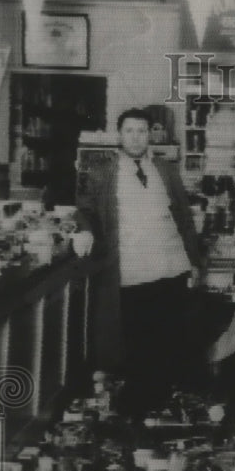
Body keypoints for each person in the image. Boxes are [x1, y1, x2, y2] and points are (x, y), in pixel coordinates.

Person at [77, 108, 203, 416]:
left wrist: (194, 261)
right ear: (119, 135)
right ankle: (137, 406)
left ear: (151, 136)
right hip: (132, 266)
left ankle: (161, 401)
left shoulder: (165, 169)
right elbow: (85, 208)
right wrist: (84, 230)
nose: (136, 137)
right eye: (130, 130)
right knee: (135, 336)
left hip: (170, 263)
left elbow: (184, 217)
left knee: (169, 334)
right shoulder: (102, 171)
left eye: (142, 131)